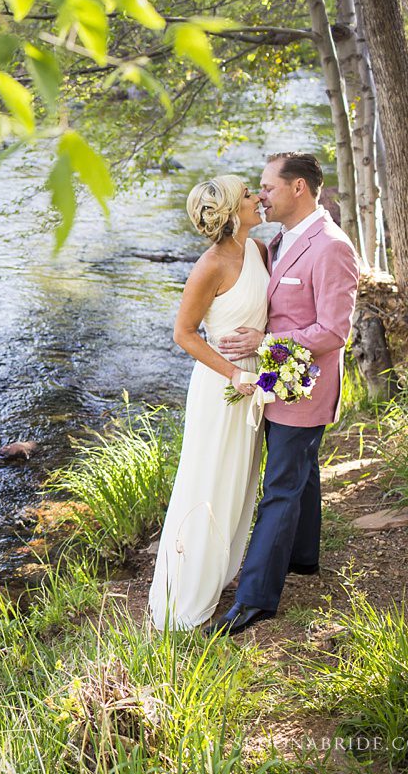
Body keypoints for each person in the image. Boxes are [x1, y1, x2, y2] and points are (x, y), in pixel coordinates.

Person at [204, 152, 359, 637]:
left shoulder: (332, 246)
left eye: (268, 187)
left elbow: (335, 331)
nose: (262, 195)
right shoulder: (278, 239)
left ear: (298, 189)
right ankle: (304, 558)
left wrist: (265, 343)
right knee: (300, 472)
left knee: (280, 489)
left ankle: (255, 600)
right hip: (275, 383)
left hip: (304, 388)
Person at [148, 174, 270, 631]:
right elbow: (183, 334)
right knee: (208, 480)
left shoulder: (257, 251)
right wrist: (235, 373)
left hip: (254, 380)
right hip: (222, 387)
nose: (258, 199)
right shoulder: (210, 266)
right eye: (249, 195)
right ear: (233, 212)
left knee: (240, 482)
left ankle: (222, 573)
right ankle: (184, 595)